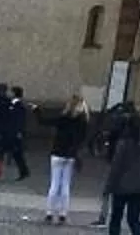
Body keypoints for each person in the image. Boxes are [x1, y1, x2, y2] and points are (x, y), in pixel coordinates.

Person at [102, 109, 140, 235]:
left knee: (116, 218)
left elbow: (116, 167)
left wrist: (108, 187)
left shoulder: (123, 144)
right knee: (134, 219)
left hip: (121, 185)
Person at [47, 93, 93, 225]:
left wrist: (36, 111)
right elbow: (83, 138)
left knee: (54, 184)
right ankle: (63, 213)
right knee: (65, 185)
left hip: (57, 153)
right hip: (71, 155)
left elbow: (45, 121)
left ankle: (50, 212)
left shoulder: (64, 117)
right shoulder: (83, 121)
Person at [5, 86, 32, 180]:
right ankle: (24, 171)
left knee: (17, 153)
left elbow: (19, 120)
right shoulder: (12, 104)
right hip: (11, 131)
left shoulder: (19, 105)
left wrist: (18, 132)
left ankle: (24, 171)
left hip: (14, 132)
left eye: (11, 92)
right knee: (16, 153)